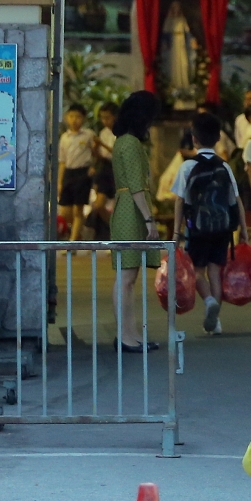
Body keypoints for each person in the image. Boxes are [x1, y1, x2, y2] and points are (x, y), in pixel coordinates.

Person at [172, 114, 250, 335]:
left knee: (197, 271)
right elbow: (236, 200)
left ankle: (208, 302)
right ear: (217, 139)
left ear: (194, 139)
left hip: (196, 228)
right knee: (215, 271)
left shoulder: (188, 167)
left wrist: (176, 231)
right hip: (222, 229)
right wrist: (243, 229)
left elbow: (179, 200)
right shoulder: (224, 167)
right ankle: (215, 323)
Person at [110, 91, 162, 352]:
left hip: (127, 209)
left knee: (128, 278)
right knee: (126, 277)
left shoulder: (123, 141)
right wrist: (149, 219)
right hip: (131, 211)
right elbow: (135, 185)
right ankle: (125, 336)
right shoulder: (130, 143)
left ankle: (129, 334)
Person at [58, 103, 96, 242]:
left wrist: (93, 167)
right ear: (67, 117)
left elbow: (97, 153)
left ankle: (72, 242)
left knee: (78, 210)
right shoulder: (64, 137)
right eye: (71, 116)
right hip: (68, 172)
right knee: (65, 211)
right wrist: (60, 182)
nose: (74, 120)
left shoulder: (88, 135)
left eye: (78, 117)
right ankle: (78, 231)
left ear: (84, 119)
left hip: (83, 173)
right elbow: (62, 161)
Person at [90, 102, 119, 235]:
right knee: (99, 204)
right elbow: (101, 155)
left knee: (117, 204)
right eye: (102, 118)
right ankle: (111, 227)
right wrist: (95, 148)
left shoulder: (120, 132)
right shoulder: (103, 132)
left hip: (117, 169)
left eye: (107, 117)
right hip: (106, 168)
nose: (105, 121)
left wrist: (102, 144)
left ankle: (116, 230)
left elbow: (117, 153)